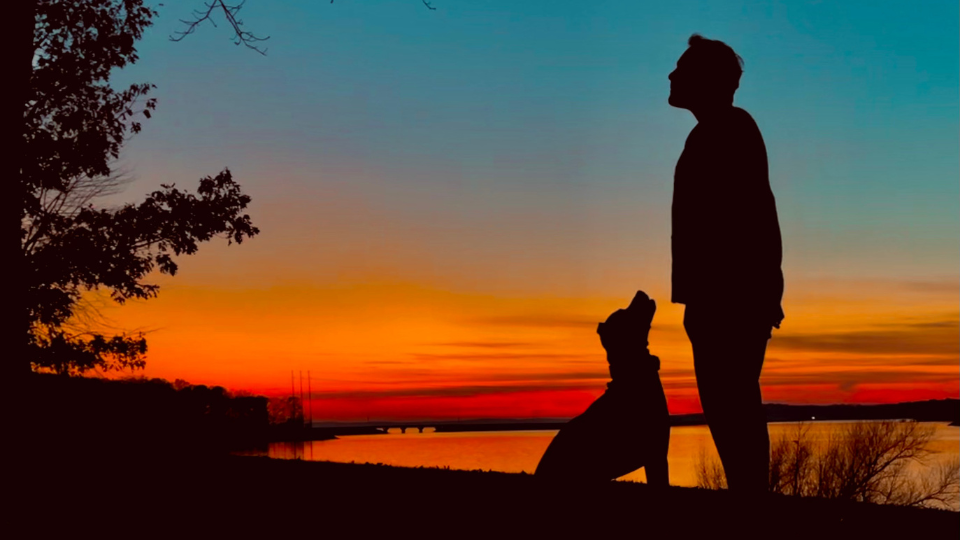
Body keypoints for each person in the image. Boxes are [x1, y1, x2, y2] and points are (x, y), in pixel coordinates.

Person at [668, 34, 784, 494]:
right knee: (727, 406)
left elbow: (754, 219)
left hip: (729, 301)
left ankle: (751, 507)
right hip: (717, 299)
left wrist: (758, 295)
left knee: (732, 404)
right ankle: (748, 503)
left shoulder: (730, 130)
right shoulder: (711, 132)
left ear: (708, 80)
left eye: (681, 68)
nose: (671, 75)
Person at [535, 291, 670, 485]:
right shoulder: (641, 394)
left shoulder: (631, 391)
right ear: (629, 340)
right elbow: (656, 459)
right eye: (627, 314)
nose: (638, 298)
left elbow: (655, 457)